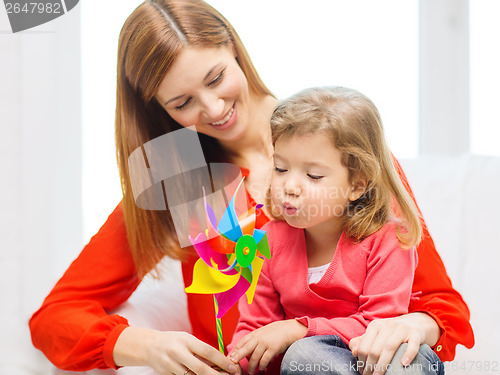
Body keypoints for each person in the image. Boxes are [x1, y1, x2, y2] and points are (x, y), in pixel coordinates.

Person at [28, 1, 474, 374]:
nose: (214, 107)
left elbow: (441, 305)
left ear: (234, 48)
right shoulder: (174, 179)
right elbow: (54, 318)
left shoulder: (337, 144)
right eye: (182, 103)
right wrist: (146, 346)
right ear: (158, 109)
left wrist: (414, 327)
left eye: (216, 78)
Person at [227, 86, 440, 375]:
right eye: (280, 168)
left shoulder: (388, 240)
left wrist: (298, 329)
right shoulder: (266, 242)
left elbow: (379, 327)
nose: (290, 186)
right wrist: (233, 365)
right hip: (316, 367)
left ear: (357, 185)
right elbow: (255, 327)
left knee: (405, 358)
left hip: (379, 359)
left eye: (313, 175)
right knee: (303, 357)